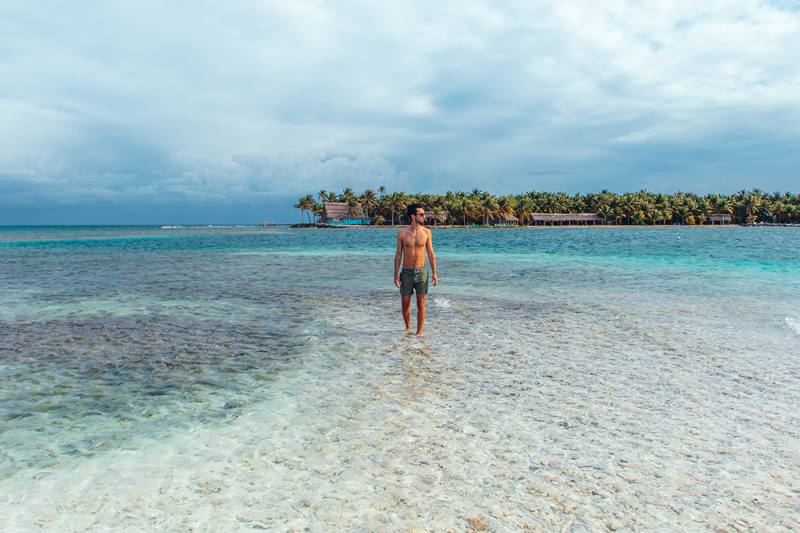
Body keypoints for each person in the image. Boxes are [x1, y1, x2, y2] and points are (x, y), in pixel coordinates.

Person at [394, 203, 438, 336]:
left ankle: (419, 332)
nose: (424, 216)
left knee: (421, 303)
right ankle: (408, 327)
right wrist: (396, 274)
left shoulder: (427, 232)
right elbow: (398, 255)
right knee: (405, 304)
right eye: (422, 214)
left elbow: (430, 253)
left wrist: (434, 272)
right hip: (406, 272)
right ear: (413, 216)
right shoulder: (402, 234)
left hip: (421, 272)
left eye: (424, 214)